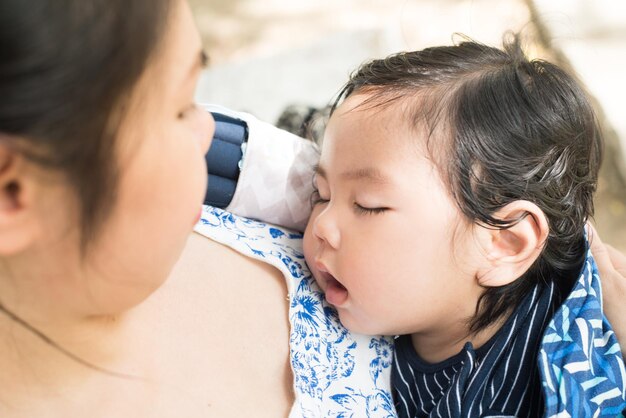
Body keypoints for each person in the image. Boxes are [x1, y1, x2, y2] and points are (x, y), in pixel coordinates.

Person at [292, 36, 625, 416]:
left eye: (368, 206)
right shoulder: (448, 289)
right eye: (321, 193)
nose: (321, 226)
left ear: (504, 243)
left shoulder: (507, 401)